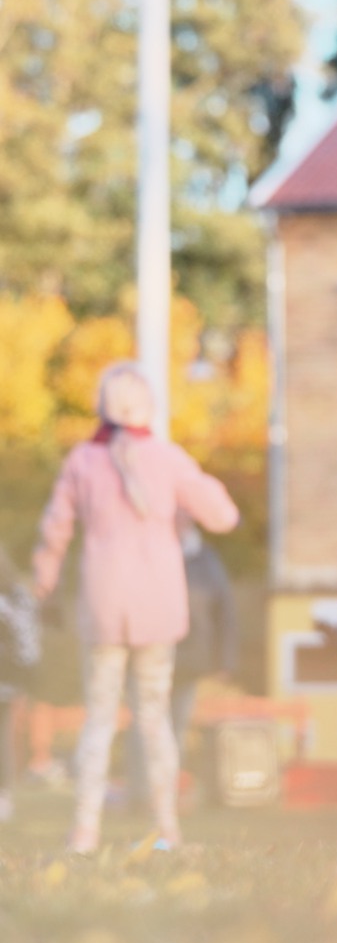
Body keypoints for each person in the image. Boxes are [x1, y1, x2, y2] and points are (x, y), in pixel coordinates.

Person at [33, 363, 240, 853]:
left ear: (101, 407)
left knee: (99, 717)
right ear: (148, 408)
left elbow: (54, 529)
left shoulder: (83, 461)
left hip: (102, 606)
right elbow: (224, 516)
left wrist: (46, 578)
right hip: (158, 609)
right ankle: (169, 828)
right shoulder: (168, 459)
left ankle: (84, 830)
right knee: (155, 717)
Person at [126, 518, 237, 813]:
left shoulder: (206, 559)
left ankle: (165, 796)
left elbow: (224, 609)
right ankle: (140, 795)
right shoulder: (144, 551)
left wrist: (224, 660)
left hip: (189, 661)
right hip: (147, 654)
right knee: (143, 727)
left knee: (175, 730)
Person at [0, 550, 43, 823]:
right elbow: (30, 650)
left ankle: (3, 796)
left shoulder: (16, 599)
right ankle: (4, 796)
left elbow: (27, 648)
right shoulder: (19, 597)